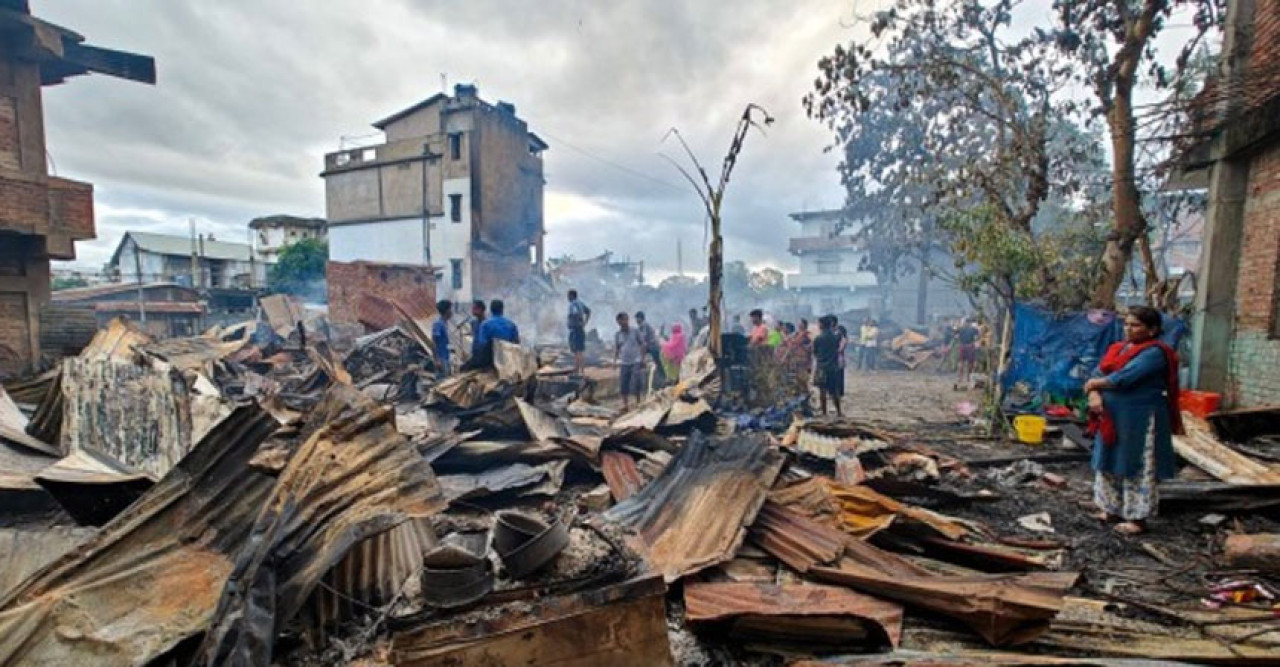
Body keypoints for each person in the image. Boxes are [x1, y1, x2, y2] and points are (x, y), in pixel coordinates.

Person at [1083, 306, 1184, 536]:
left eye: (1135, 325)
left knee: (1136, 464)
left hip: (1139, 417)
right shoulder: (1118, 349)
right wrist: (1094, 393)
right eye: (1126, 324)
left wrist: (1095, 385)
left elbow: (1125, 377)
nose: (1128, 329)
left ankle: (1137, 519)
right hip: (1113, 415)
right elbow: (1098, 373)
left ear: (1153, 329)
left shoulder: (1156, 353)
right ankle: (1110, 509)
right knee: (1108, 459)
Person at [468, 299, 519, 370]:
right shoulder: (511, 324)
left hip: (489, 362)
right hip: (507, 359)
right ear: (502, 310)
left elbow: (482, 345)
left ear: (491, 310)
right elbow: (516, 343)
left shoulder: (485, 325)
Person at [813, 316, 843, 417]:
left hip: (821, 367)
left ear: (822, 325)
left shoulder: (818, 338)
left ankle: (824, 412)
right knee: (834, 391)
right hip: (833, 367)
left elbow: (815, 352)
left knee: (822, 391)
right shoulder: (835, 337)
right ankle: (839, 412)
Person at [614, 312, 645, 409]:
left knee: (636, 381)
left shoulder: (635, 331)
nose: (624, 322)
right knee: (624, 383)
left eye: (626, 319)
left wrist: (642, 359)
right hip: (624, 362)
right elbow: (617, 348)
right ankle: (625, 404)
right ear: (618, 322)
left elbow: (642, 344)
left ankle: (638, 401)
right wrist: (615, 361)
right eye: (622, 320)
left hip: (636, 360)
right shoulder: (618, 334)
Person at [635, 311, 665, 385]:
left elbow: (643, 338)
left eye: (637, 318)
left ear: (641, 318)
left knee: (658, 363)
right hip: (648, 346)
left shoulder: (645, 325)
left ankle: (663, 378)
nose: (636, 320)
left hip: (652, 347)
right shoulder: (640, 327)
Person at [567, 289, 591, 376]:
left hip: (576, 329)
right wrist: (584, 322)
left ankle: (577, 370)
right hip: (580, 329)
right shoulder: (580, 303)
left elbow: (575, 314)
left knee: (577, 351)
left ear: (572, 296)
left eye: (568, 295)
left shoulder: (573, 304)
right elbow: (588, 311)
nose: (567, 298)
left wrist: (573, 322)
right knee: (580, 350)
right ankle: (581, 370)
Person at [956, 318, 979, 388]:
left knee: (961, 362)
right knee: (969, 363)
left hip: (962, 346)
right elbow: (977, 336)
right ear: (969, 323)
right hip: (969, 347)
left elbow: (956, 337)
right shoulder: (973, 329)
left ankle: (960, 378)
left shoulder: (960, 329)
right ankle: (968, 378)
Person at [432, 300, 453, 379]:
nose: (451, 312)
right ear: (447, 311)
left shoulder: (444, 323)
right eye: (450, 309)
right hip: (441, 359)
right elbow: (434, 341)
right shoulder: (438, 324)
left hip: (446, 357)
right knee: (441, 382)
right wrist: (437, 359)